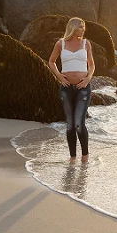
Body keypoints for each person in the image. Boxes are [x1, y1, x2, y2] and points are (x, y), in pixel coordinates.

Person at [48, 17, 95, 163]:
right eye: (80, 26)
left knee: (79, 123)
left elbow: (92, 65)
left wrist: (87, 79)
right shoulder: (60, 43)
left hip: (83, 88)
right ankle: (73, 157)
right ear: (73, 27)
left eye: (83, 26)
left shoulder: (86, 43)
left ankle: (85, 156)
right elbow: (51, 61)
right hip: (66, 88)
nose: (82, 29)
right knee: (69, 124)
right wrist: (59, 77)